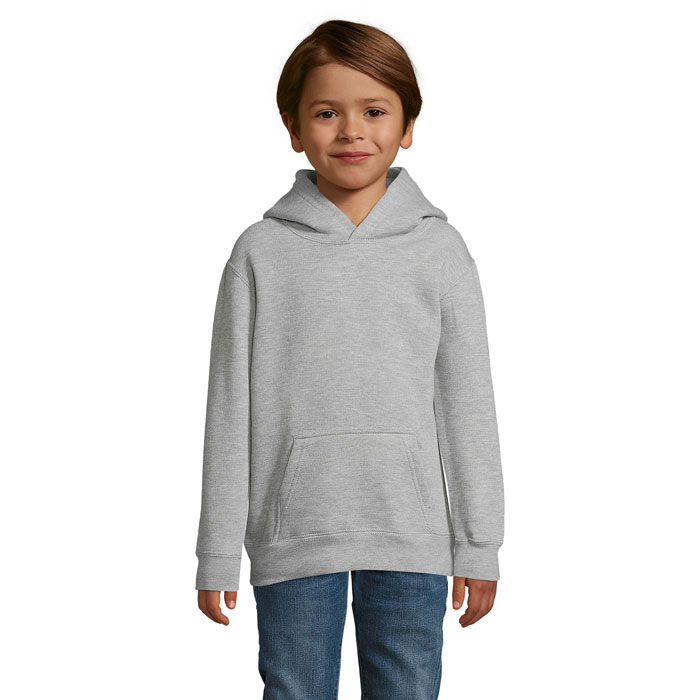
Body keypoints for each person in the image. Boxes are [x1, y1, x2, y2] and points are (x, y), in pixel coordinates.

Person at [194, 18, 505, 700]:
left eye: (375, 111)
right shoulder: (259, 253)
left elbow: (467, 406)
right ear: (293, 126)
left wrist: (479, 544)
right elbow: (229, 409)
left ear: (409, 124)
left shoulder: (440, 251)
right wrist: (216, 551)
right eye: (327, 113)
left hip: (411, 533)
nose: (352, 132)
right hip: (293, 535)